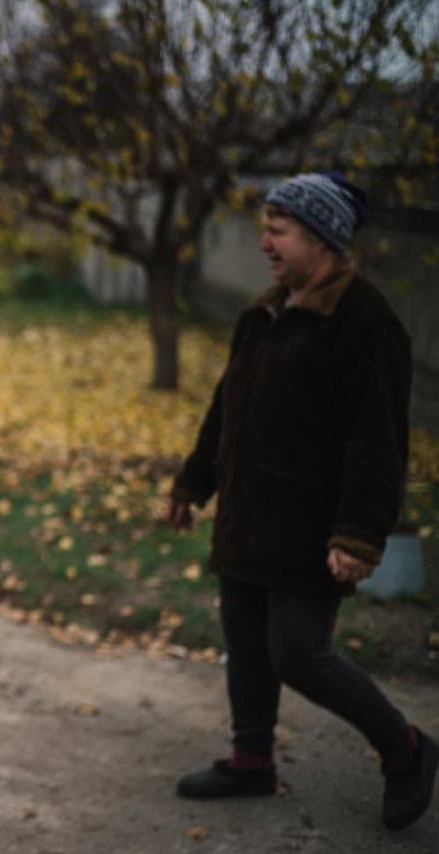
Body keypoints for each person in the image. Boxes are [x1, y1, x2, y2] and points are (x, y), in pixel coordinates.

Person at [168, 172, 436, 830]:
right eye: (265, 228)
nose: (263, 242)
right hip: (247, 515)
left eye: (277, 230)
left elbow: (377, 440)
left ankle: (406, 749)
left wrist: (359, 532)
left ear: (322, 238)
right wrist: (193, 482)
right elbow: (227, 407)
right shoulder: (264, 312)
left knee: (298, 653)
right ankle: (251, 760)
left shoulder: (367, 324)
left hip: (308, 525)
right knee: (246, 642)